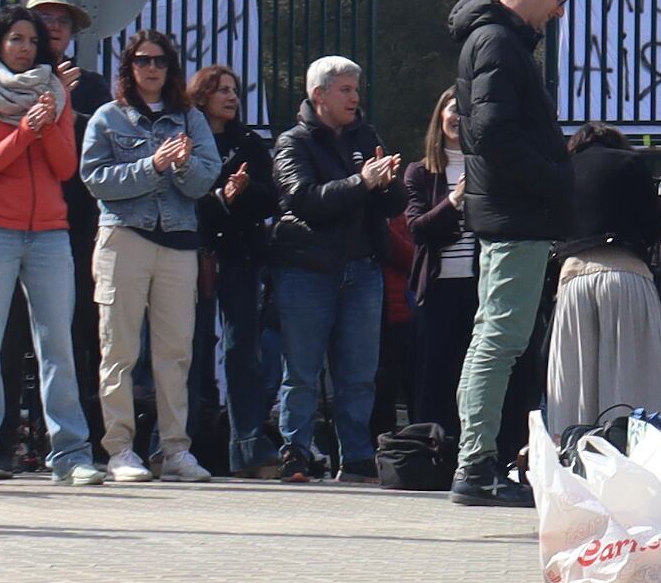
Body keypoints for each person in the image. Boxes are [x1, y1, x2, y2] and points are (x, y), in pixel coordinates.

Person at [0, 4, 97, 489]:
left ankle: (71, 453)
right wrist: (23, 133)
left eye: (32, 41)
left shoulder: (55, 93)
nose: (26, 48)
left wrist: (50, 122)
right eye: (16, 40)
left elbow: (65, 168)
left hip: (50, 232)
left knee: (58, 347)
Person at [445, 0, 576, 505]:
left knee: (497, 340)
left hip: (510, 212)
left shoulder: (497, 41)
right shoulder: (498, 41)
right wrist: (554, 177)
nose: (561, 11)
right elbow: (494, 135)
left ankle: (481, 463)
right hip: (513, 214)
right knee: (497, 342)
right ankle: (474, 468)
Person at [76, 29, 220, 485]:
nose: (151, 68)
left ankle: (174, 450)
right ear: (129, 67)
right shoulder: (107, 118)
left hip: (178, 243)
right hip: (124, 238)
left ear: (171, 68)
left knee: (175, 352)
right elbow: (96, 180)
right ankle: (120, 449)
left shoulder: (190, 119)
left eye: (160, 60)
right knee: (118, 350)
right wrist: (152, 165)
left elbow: (204, 182)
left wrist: (181, 164)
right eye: (142, 60)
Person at [268, 55, 396, 482]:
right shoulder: (293, 143)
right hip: (307, 270)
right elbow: (304, 200)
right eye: (345, 90)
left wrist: (387, 183)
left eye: (357, 90)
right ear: (318, 94)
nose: (355, 98)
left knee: (359, 373)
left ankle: (357, 456)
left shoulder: (366, 134)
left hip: (362, 269)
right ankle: (296, 453)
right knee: (302, 371)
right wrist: (363, 182)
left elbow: (391, 207)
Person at [543, 126, 661, 437]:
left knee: (575, 383)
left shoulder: (562, 170)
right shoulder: (630, 164)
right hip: (626, 273)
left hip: (574, 277)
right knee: (633, 379)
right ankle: (633, 449)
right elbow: (654, 226)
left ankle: (572, 450)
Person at [189, 63, 277, 473]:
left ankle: (248, 446)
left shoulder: (249, 142)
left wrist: (240, 194)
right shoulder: (186, 137)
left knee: (243, 350)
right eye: (221, 89)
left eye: (234, 89)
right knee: (192, 349)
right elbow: (184, 201)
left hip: (242, 257)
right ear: (202, 95)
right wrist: (220, 198)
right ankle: (186, 443)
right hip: (197, 256)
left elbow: (274, 198)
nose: (231, 96)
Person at [406, 88, 477, 433]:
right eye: (453, 109)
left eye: (466, 111)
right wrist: (455, 200)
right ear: (439, 116)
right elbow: (418, 228)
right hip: (436, 290)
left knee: (475, 375)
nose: (458, 118)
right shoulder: (419, 173)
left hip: (479, 288)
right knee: (434, 376)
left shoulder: (487, 169)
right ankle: (430, 451)